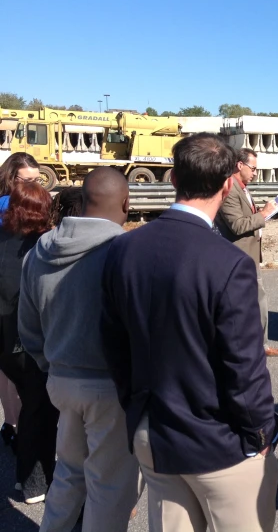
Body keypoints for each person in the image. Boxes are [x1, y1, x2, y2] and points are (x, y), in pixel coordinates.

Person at [101, 133, 278, 532]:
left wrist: (137, 407)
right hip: (219, 444)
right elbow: (244, 365)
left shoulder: (123, 249)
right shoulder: (229, 263)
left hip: (154, 434)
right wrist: (262, 431)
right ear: (227, 183)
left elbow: (113, 344)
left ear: (172, 178)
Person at [19, 169, 140, 532]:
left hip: (60, 379)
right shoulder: (125, 251)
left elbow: (27, 324)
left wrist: (51, 363)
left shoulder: (41, 248)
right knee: (109, 488)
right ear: (126, 203)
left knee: (69, 474)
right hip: (110, 389)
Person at [0, 182, 58, 504]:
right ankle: (35, 483)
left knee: (29, 406)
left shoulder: (3, 237)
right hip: (27, 342)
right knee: (40, 410)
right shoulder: (42, 245)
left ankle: (27, 477)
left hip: (4, 343)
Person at [216, 148, 278, 357]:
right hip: (239, 256)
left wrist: (260, 214)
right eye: (253, 168)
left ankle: (254, 344)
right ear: (239, 165)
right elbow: (236, 225)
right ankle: (257, 346)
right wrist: (263, 214)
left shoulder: (242, 188)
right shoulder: (230, 189)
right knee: (254, 301)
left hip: (249, 255)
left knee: (254, 300)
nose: (255, 173)